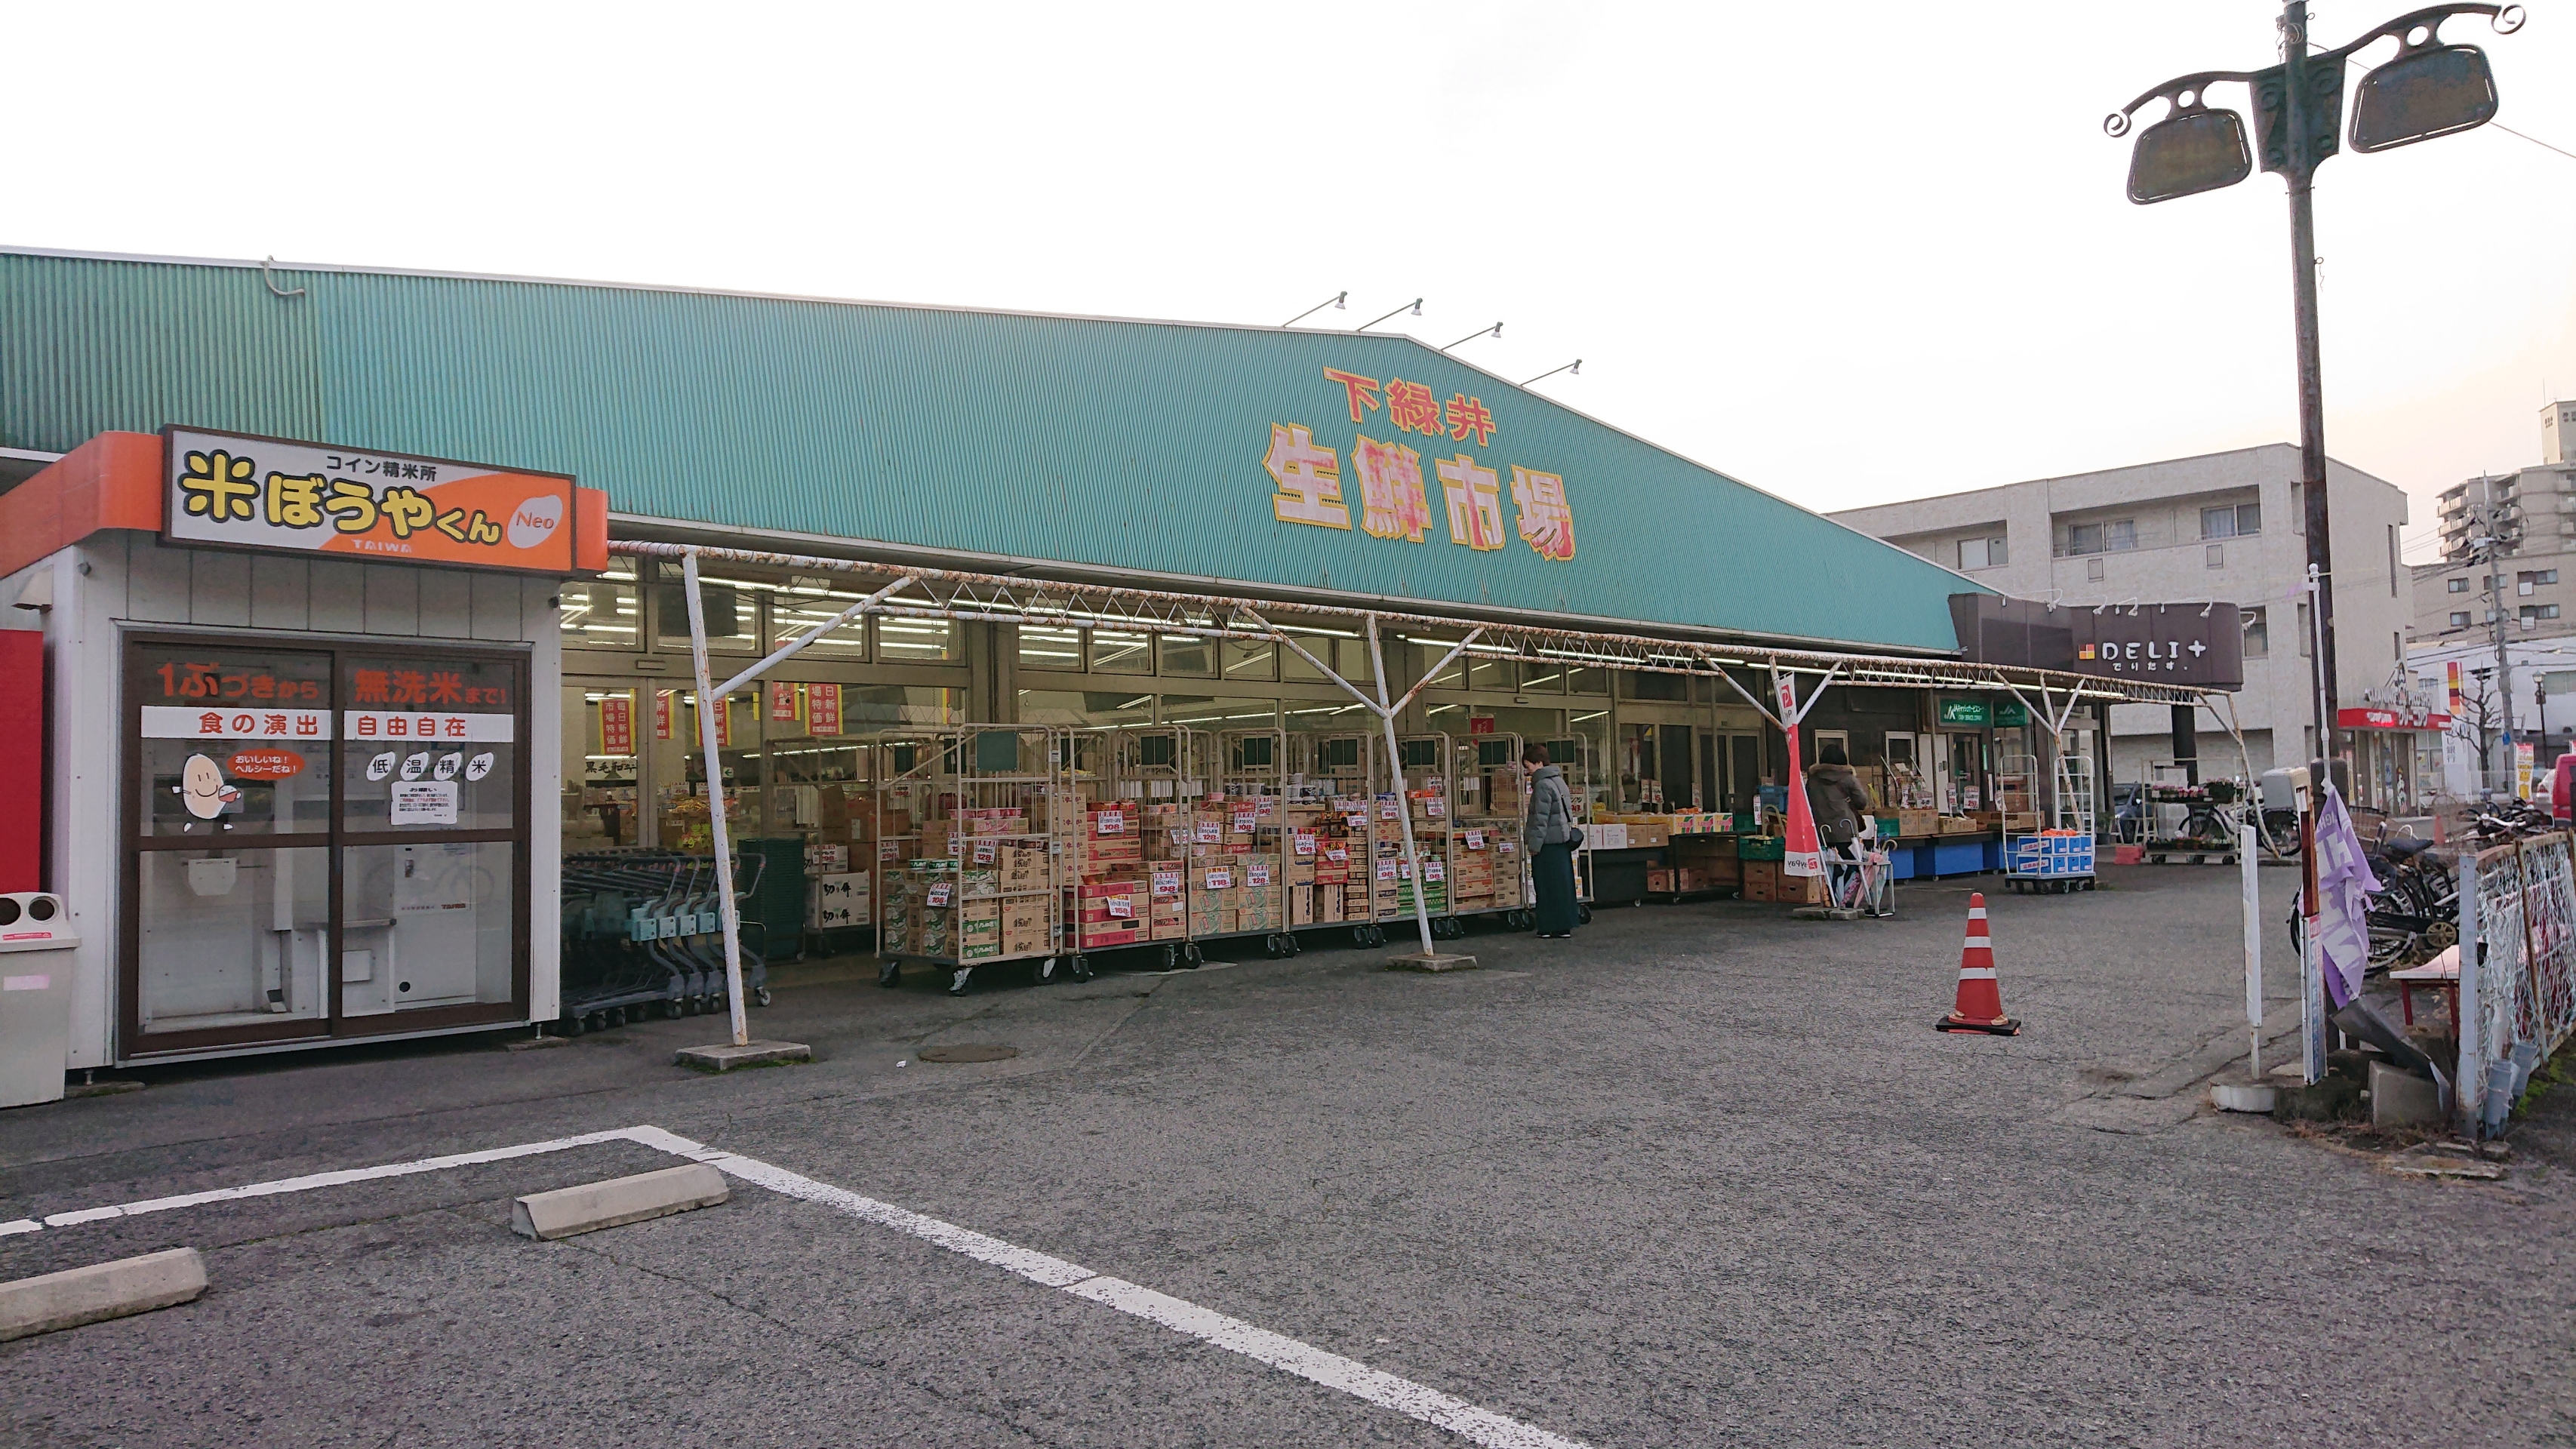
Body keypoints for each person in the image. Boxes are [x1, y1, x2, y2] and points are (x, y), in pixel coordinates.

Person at [1805, 741, 1876, 909]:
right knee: (1852, 863)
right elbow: (1862, 802)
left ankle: (1831, 896)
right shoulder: (1848, 778)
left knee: (1830, 865)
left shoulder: (1813, 780)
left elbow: (1807, 802)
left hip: (1822, 831)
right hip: (1846, 830)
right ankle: (1844, 897)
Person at [1522, 744, 1580, 938]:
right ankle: (1564, 925)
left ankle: (1547, 926)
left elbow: (1540, 819)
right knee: (1562, 886)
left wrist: (1534, 846)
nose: (1527, 770)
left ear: (1539, 763)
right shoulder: (1559, 781)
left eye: (1529, 765)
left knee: (1546, 886)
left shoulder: (1542, 785)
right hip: (1562, 842)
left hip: (1548, 844)